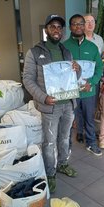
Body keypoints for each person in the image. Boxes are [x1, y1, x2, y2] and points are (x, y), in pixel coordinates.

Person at [23, 14, 80, 193]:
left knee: (64, 138)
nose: (57, 30)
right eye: (53, 26)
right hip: (50, 106)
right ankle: (50, 173)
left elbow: (72, 78)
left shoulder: (66, 51)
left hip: (68, 104)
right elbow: (28, 79)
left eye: (59, 27)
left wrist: (77, 71)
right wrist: (43, 97)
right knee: (49, 142)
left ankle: (62, 163)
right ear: (46, 29)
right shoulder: (34, 52)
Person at [64, 14, 103, 156]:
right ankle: (65, 147)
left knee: (89, 119)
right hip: (70, 92)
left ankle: (91, 143)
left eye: (81, 24)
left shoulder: (92, 47)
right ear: (70, 27)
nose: (78, 26)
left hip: (88, 92)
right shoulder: (64, 47)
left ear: (84, 26)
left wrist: (91, 82)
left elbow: (99, 68)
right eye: (75, 24)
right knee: (68, 121)